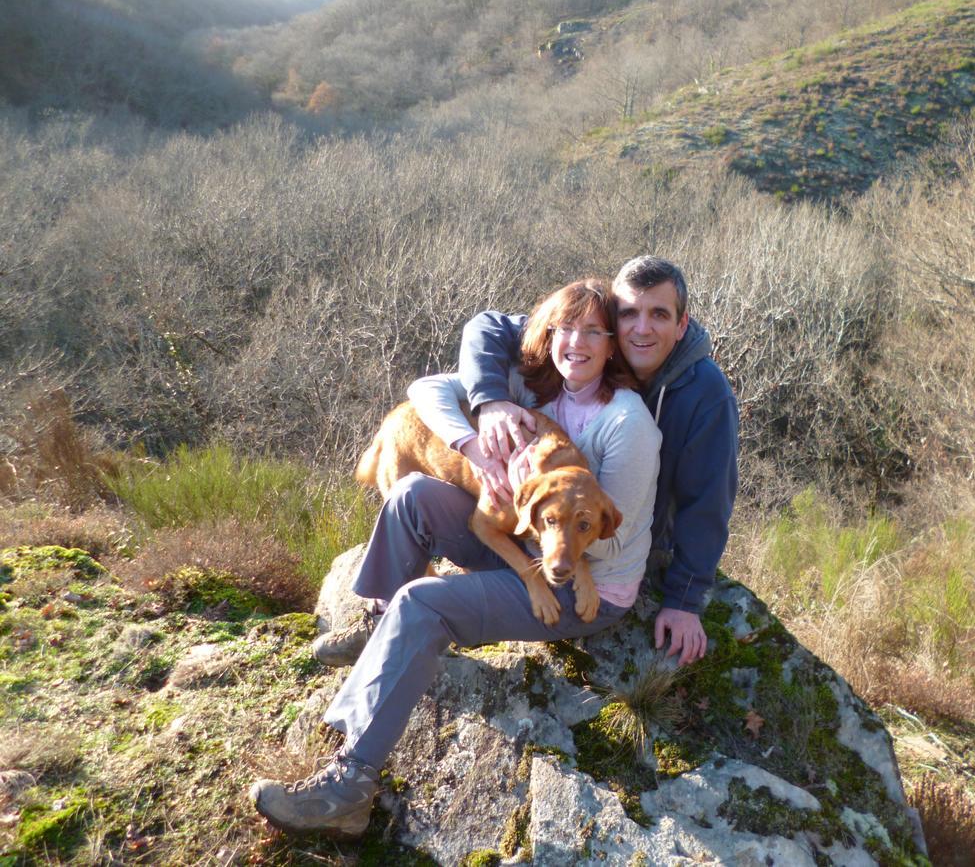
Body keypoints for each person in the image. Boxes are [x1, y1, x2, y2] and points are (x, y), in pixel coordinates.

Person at [249, 278, 661, 838]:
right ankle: (378, 626)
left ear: (613, 345)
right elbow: (429, 388)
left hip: (582, 585)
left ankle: (350, 786)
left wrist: (545, 531)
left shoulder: (628, 425)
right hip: (523, 548)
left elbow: (608, 537)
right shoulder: (538, 390)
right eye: (567, 329)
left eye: (594, 332)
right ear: (547, 335)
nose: (577, 343)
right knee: (412, 493)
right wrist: (483, 427)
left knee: (424, 602)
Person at [458, 255, 738, 668]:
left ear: (681, 325)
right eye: (629, 314)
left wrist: (685, 600)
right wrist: (490, 401)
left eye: (659, 314)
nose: (642, 328)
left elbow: (708, 502)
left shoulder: (705, 393)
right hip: (574, 528)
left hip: (635, 546)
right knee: (419, 499)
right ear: (613, 322)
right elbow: (488, 326)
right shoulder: (586, 342)